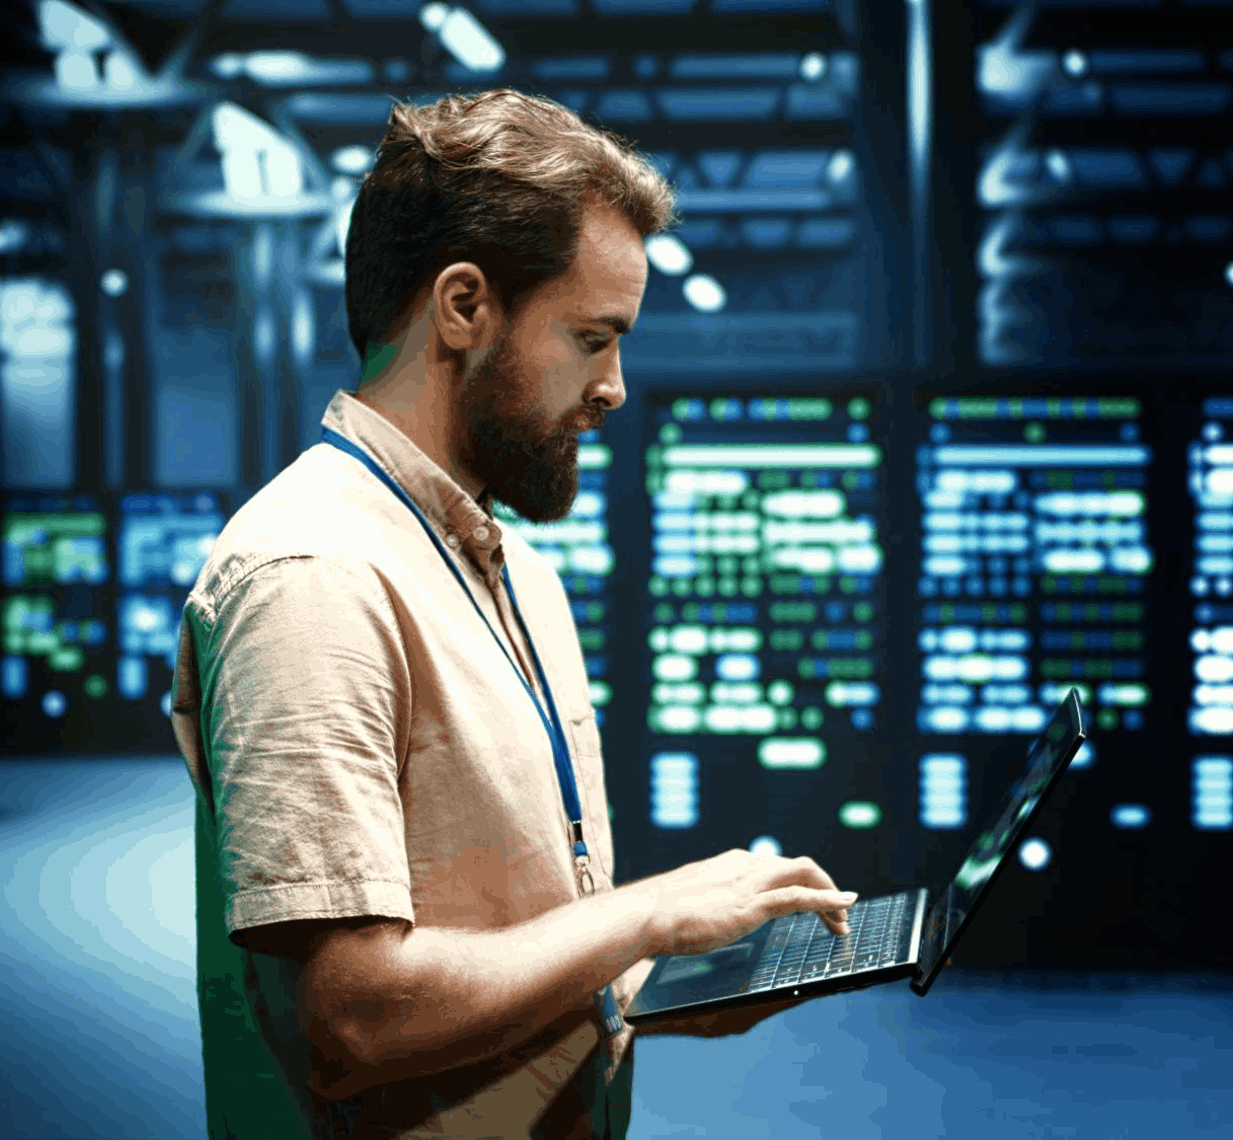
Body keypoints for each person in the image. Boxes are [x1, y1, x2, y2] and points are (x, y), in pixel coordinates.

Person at [172, 89, 857, 1140]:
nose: (616, 387)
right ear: (462, 306)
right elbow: (357, 1013)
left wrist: (652, 983)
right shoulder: (312, 573)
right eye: (591, 337)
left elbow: (509, 931)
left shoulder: (513, 572)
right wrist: (648, 914)